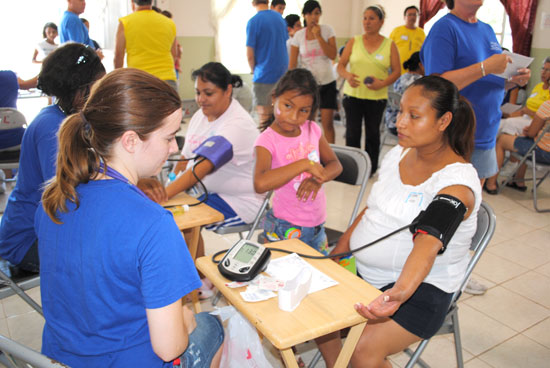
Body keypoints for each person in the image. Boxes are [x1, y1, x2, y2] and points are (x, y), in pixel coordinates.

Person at [35, 68, 224, 367]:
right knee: (211, 327)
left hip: (66, 359)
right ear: (131, 141)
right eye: (169, 137)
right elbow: (168, 348)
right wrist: (186, 320)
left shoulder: (54, 200)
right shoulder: (153, 224)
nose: (174, 148)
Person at [319, 75, 481, 368]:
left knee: (362, 350)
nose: (400, 123)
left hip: (420, 288)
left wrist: (401, 292)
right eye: (401, 111)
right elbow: (373, 208)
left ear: (443, 121)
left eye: (414, 116)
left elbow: (429, 240)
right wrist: (340, 249)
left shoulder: (458, 183)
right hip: (366, 274)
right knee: (317, 313)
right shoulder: (398, 154)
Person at [420, 0, 530, 295]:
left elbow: (487, 82)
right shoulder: (445, 28)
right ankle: (427, 270)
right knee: (445, 207)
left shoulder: (487, 30)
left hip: (485, 131)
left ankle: (458, 272)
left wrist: (511, 81)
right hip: (456, 134)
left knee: (469, 212)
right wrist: (484, 67)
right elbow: (437, 82)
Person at [138, 62, 264, 297]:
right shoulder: (201, 116)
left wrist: (165, 195)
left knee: (183, 220)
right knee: (178, 216)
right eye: (197, 92)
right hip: (209, 195)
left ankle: (200, 280)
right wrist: (170, 187)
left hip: (241, 201)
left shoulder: (236, 124)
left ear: (227, 90)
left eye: (209, 93)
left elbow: (202, 168)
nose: (201, 99)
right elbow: (186, 160)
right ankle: (199, 277)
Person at [0, 44, 105, 273]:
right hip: (27, 240)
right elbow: (66, 195)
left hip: (47, 227)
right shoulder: (53, 127)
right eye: (98, 88)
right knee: (113, 259)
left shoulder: (69, 118)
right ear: (80, 90)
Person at [254, 68, 342, 257]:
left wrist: (318, 179)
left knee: (316, 276)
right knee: (285, 278)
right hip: (285, 226)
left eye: (304, 111)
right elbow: (260, 183)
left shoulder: (312, 129)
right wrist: (304, 165)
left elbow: (335, 164)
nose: (294, 117)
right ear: (274, 98)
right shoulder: (267, 140)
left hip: (317, 226)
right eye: (288, 106)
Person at [337, 4, 401, 174]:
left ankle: (370, 169)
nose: (367, 22)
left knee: (373, 134)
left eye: (371, 18)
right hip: (353, 97)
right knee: (352, 133)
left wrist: (383, 83)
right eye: (364, 18)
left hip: (376, 98)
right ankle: (352, 168)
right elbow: (341, 66)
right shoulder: (354, 41)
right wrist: (348, 76)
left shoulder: (389, 45)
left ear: (381, 22)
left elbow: (397, 71)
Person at [289, 0, 338, 144]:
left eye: (317, 13)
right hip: (308, 86)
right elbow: (292, 65)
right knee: (308, 123)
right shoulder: (298, 36)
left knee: (327, 123)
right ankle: (308, 151)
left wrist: (318, 36)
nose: (313, 17)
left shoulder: (327, 30)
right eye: (310, 14)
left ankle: (332, 154)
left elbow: (332, 55)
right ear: (304, 16)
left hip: (328, 82)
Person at [486, 99, 550, 193]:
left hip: (542, 152)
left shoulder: (547, 105)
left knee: (502, 140)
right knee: (525, 141)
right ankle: (518, 181)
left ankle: (491, 184)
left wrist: (529, 131)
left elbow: (532, 133)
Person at [114, 0, 178, 91]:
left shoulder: (126, 22)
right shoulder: (169, 23)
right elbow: (174, 55)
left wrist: (117, 80)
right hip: (167, 80)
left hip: (138, 80)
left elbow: (118, 55)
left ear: (132, 2)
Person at [246, 0, 289, 124]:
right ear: (268, 1)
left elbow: (250, 55)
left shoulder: (254, 22)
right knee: (280, 115)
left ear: (253, 2)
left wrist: (253, 71)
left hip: (264, 74)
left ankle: (267, 143)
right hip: (282, 73)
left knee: (265, 118)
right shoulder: (280, 19)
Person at [498, 57, 550, 137]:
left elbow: (546, 117)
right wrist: (510, 114)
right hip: (525, 117)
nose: (543, 72)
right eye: (543, 69)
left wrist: (529, 112)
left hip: (536, 123)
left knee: (509, 123)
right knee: (498, 125)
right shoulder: (538, 87)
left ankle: (507, 144)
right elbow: (524, 110)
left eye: (548, 70)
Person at [384, 51, 425, 135]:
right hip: (405, 125)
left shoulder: (402, 77)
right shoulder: (420, 82)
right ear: (421, 65)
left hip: (390, 122)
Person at [389, 6, 425, 76]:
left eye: (414, 15)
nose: (412, 17)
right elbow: (388, 49)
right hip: (397, 71)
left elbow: (424, 51)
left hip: (415, 72)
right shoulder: (396, 31)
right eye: (410, 14)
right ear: (404, 17)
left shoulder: (422, 33)